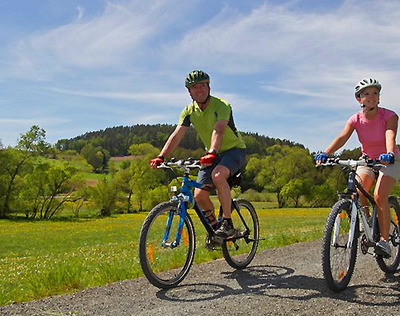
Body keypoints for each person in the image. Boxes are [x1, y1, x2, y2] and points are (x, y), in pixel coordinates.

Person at [150, 70, 247, 238]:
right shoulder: (188, 111)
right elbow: (177, 134)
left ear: (208, 87)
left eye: (202, 85)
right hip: (212, 154)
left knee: (218, 176)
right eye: (194, 87)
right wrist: (161, 156)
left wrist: (212, 151)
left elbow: (219, 129)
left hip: (234, 151)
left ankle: (227, 222)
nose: (199, 90)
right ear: (189, 92)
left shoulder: (221, 105)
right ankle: (216, 230)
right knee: (199, 195)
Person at [315, 78, 400, 257]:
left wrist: (389, 153)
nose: (371, 97)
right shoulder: (355, 119)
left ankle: (384, 241)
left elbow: (389, 134)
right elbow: (342, 137)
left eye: (375, 93)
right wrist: (326, 152)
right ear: (359, 99)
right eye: (366, 94)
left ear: (379, 97)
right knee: (359, 188)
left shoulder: (389, 116)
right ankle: (367, 221)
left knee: (379, 195)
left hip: (390, 159)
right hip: (367, 160)